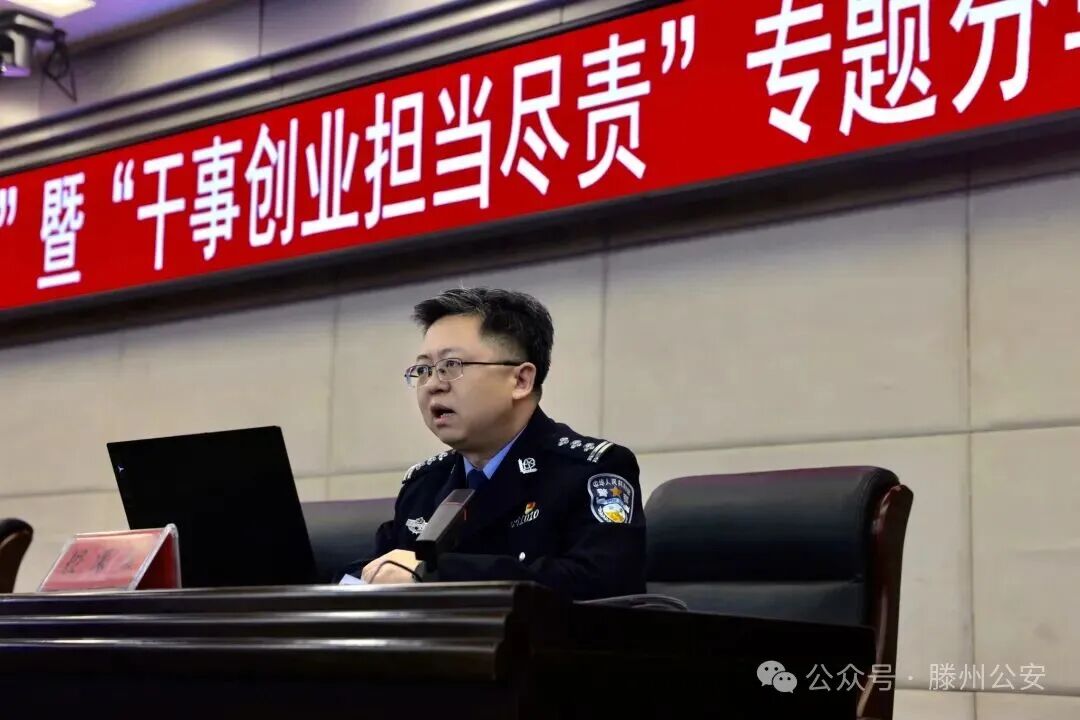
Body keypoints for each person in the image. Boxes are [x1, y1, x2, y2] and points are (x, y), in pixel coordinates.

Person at [340, 287, 645, 600]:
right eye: (423, 370)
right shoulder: (425, 485)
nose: (432, 385)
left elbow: (604, 584)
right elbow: (372, 569)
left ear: (520, 380)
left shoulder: (589, 470)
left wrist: (435, 575)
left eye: (451, 366)